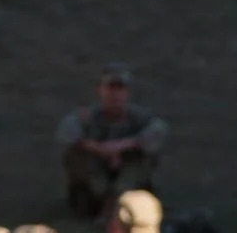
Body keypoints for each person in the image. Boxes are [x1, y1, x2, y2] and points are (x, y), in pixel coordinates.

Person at [58, 64, 169, 218]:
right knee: (75, 155)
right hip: (95, 184)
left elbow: (158, 131)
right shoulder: (88, 116)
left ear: (127, 92)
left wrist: (125, 145)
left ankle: (118, 200)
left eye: (120, 89)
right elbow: (67, 131)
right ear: (100, 90)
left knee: (145, 156)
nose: (115, 94)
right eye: (110, 88)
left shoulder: (138, 117)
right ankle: (106, 201)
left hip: (128, 180)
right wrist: (100, 150)